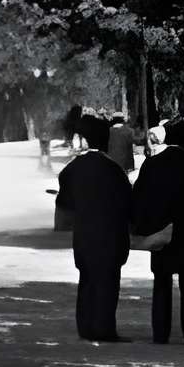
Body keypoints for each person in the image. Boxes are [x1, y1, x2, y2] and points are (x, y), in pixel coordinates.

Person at [56, 114, 133, 342]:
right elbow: (128, 204)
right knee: (108, 284)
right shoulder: (114, 171)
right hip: (111, 236)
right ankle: (104, 328)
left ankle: (85, 326)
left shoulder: (73, 169)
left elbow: (64, 203)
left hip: (84, 235)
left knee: (87, 281)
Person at [130, 116, 184, 344]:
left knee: (161, 282)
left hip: (161, 232)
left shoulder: (153, 164)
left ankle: (160, 332)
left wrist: (144, 226)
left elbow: (139, 198)